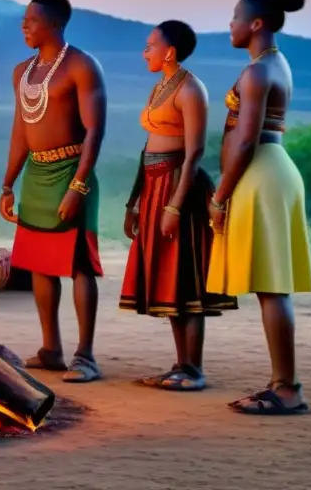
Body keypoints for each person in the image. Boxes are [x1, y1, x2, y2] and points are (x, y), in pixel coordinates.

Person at [207, 0, 311, 415]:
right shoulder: (277, 62)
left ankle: (286, 388)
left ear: (255, 24)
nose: (230, 24)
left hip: (261, 172)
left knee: (271, 287)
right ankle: (281, 383)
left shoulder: (257, 71)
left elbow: (246, 139)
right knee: (272, 288)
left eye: (235, 18)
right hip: (274, 171)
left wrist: (219, 196)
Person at [119, 21, 238, 391]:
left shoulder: (191, 89)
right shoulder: (160, 87)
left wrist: (174, 205)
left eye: (150, 45)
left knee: (184, 275)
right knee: (165, 279)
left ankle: (195, 370)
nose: (145, 51)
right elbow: (148, 148)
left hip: (178, 188)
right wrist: (134, 202)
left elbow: (195, 153)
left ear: (169, 51)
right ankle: (180, 364)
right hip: (154, 186)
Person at [0, 0, 106, 383]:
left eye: (32, 20)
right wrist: (8, 183)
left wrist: (78, 185)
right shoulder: (22, 72)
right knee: (42, 266)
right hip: (37, 177)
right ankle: (51, 349)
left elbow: (95, 129)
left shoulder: (81, 66)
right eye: (23, 20)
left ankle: (86, 356)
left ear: (56, 24)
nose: (24, 25)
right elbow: (20, 131)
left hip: (70, 172)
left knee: (78, 266)